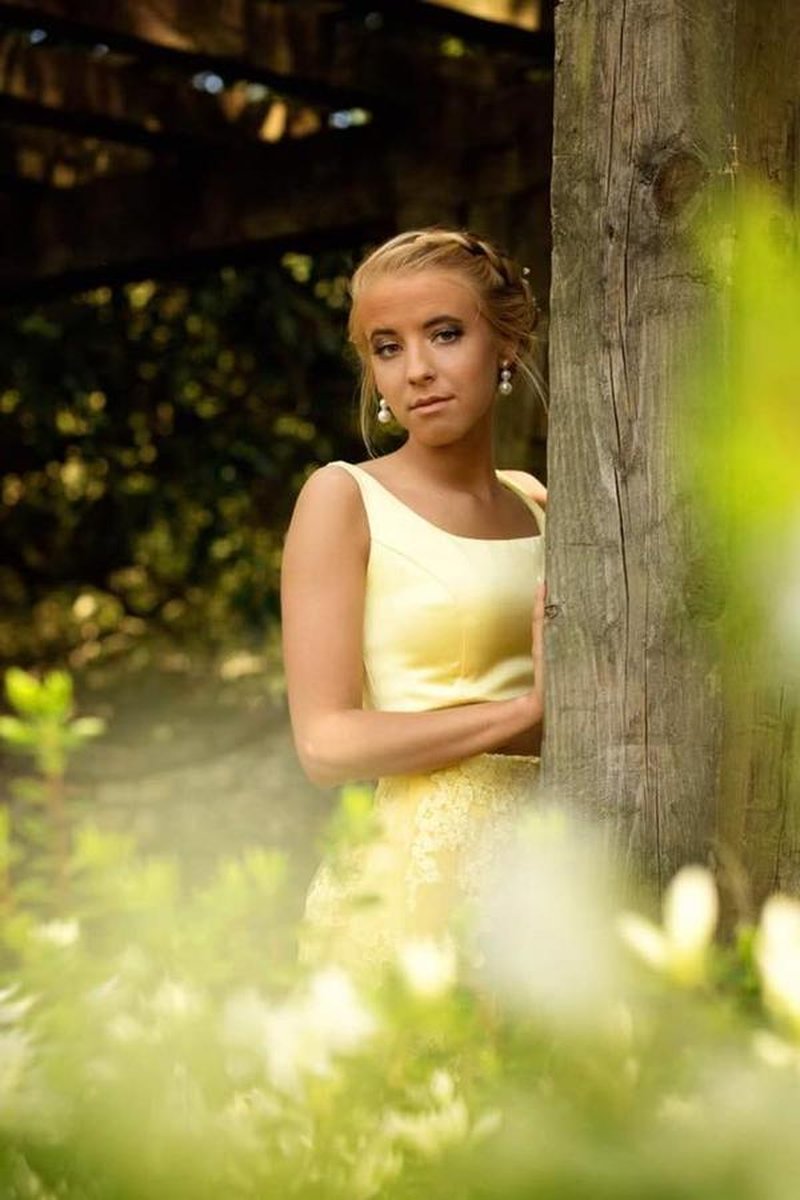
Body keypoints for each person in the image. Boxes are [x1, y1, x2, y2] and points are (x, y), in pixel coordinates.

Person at [280, 228, 547, 976]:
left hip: (546, 875)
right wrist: (526, 713)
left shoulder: (539, 505)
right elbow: (325, 745)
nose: (418, 370)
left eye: (445, 333)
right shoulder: (343, 499)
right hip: (412, 885)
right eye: (388, 347)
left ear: (505, 343)